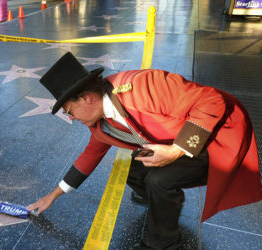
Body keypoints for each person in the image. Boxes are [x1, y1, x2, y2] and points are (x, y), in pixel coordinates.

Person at [27, 52, 262, 250]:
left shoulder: (145, 86)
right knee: (130, 167)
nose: (70, 118)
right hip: (170, 143)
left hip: (215, 138)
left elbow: (213, 101)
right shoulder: (100, 124)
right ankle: (159, 204)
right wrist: (52, 196)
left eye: (69, 111)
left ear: (86, 98)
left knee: (160, 179)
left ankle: (164, 242)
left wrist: (177, 150)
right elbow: (89, 156)